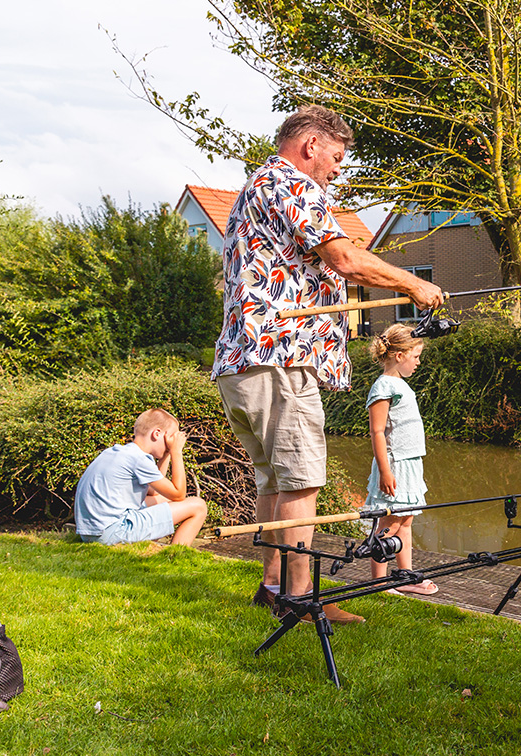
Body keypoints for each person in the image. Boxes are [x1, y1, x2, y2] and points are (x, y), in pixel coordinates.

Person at [212, 105, 444, 624]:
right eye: (336, 157)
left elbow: (330, 259)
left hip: (245, 359)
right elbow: (344, 259)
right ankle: (302, 596)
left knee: (274, 481)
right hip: (280, 357)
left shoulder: (258, 187)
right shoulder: (290, 183)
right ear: (311, 144)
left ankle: (274, 586)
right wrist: (413, 284)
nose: (338, 169)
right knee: (300, 481)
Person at [363, 324, 438, 595]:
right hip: (394, 465)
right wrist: (385, 471)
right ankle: (379, 583)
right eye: (415, 356)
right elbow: (377, 431)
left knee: (406, 521)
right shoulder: (384, 386)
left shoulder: (400, 385)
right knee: (389, 523)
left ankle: (406, 577)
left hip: (411, 463)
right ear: (399, 355)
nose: (418, 362)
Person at [74, 408, 208, 547]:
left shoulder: (118, 451)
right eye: (170, 438)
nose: (171, 442)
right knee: (198, 506)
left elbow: (155, 492)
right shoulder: (138, 459)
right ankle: (175, 556)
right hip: (112, 533)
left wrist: (167, 453)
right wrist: (176, 452)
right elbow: (179, 495)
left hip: (92, 533)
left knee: (164, 499)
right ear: (157, 434)